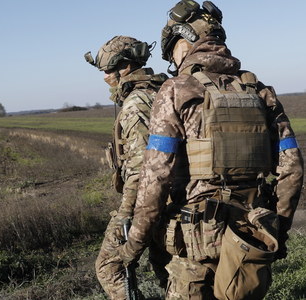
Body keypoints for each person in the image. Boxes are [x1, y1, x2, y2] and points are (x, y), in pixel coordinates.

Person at [116, 1, 304, 299]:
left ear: (183, 42)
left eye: (172, 51)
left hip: (196, 245)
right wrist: (277, 231)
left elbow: (155, 177)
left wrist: (133, 244)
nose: (173, 60)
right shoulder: (261, 91)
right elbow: (292, 169)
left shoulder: (176, 90)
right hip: (252, 238)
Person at [84, 36, 169, 299]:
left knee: (109, 268)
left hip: (145, 200)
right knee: (168, 271)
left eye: (109, 70)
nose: (106, 77)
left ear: (127, 66)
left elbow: (143, 168)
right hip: (170, 198)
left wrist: (126, 214)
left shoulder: (136, 102)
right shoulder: (163, 91)